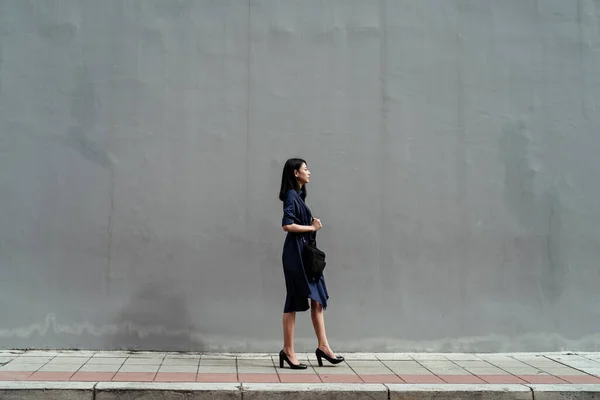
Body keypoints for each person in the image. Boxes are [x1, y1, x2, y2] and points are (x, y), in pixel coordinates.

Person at [277, 158, 344, 369]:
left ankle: (323, 347)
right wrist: (312, 228)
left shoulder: (298, 195)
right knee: (295, 300)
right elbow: (286, 225)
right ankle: (288, 351)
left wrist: (311, 225)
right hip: (295, 255)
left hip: (306, 255)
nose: (309, 172)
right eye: (305, 169)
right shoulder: (290, 195)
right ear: (295, 173)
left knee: (317, 299)